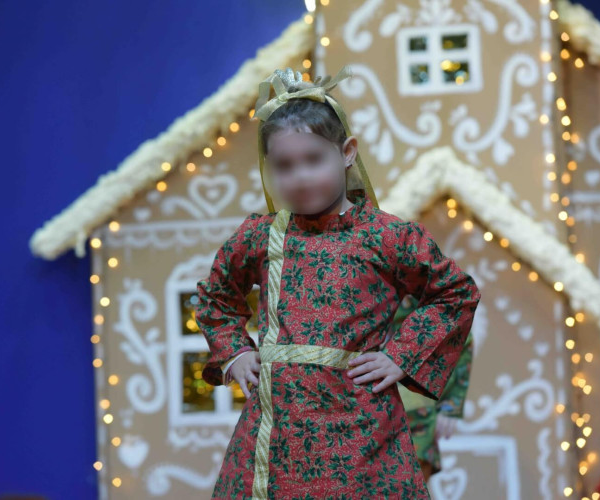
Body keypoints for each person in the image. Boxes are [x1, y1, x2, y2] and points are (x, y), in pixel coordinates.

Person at [195, 65, 481, 499]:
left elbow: (456, 294)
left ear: (346, 153)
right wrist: (235, 351)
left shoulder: (386, 237)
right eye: (285, 166)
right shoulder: (261, 236)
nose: (300, 177)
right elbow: (214, 296)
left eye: (314, 160)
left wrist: (400, 356)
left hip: (361, 431)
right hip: (275, 432)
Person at [388, 295, 475, 481]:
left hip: (417, 415)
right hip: (367, 407)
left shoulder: (441, 293)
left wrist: (450, 406)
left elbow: (461, 336)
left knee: (407, 481)